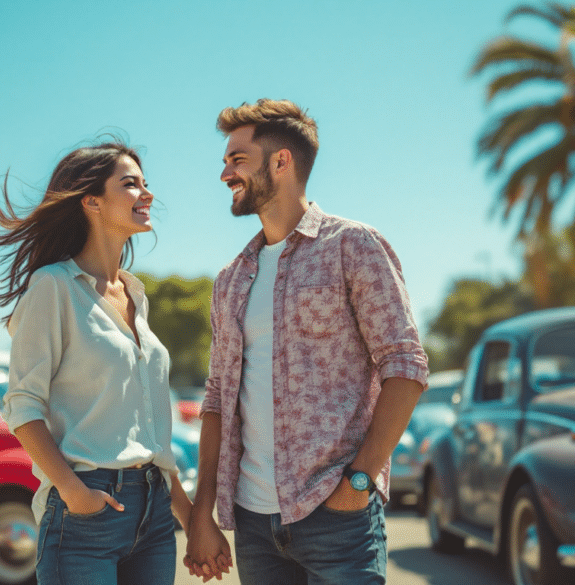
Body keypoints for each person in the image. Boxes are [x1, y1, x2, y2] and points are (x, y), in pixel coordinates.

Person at [184, 99, 429, 584]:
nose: (224, 175)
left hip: (337, 515)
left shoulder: (353, 246)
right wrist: (202, 512)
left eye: (237, 160)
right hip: (254, 522)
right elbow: (217, 399)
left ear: (281, 161)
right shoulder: (230, 279)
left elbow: (406, 367)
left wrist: (358, 482)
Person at [0, 139, 193, 585]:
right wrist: (73, 492)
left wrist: (190, 518)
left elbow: (151, 433)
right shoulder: (52, 286)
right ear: (91, 201)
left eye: (145, 184)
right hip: (86, 512)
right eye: (131, 185)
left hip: (152, 512)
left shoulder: (134, 293)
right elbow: (22, 407)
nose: (147, 194)